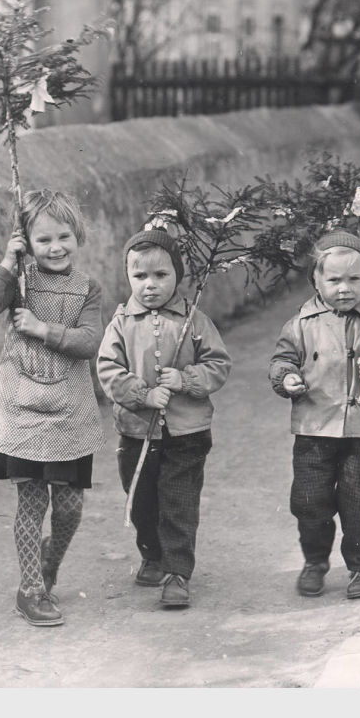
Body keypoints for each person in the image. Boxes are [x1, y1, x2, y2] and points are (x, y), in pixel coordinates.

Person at [0, 189, 105, 626]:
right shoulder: (17, 280)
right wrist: (7, 263)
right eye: (43, 240)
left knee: (70, 507)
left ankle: (48, 563)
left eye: (64, 237)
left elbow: (88, 342)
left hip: (68, 410)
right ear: (26, 241)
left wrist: (42, 328)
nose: (56, 247)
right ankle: (29, 589)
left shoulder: (87, 289)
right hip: (21, 406)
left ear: (77, 236)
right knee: (31, 502)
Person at [269, 230, 360, 600]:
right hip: (314, 427)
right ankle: (315, 561)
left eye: (355, 278)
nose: (345, 288)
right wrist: (287, 378)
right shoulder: (301, 324)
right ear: (315, 280)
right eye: (333, 279)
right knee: (308, 500)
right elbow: (282, 359)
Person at [97, 227, 231, 608]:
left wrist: (187, 379)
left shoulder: (194, 320)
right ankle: (152, 554)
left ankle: (177, 572)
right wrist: (142, 393)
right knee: (141, 500)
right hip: (137, 430)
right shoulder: (122, 322)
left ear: (178, 275)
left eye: (161, 275)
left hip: (187, 431)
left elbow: (219, 364)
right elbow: (107, 369)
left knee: (178, 501)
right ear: (128, 277)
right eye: (140, 276)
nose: (150, 285)